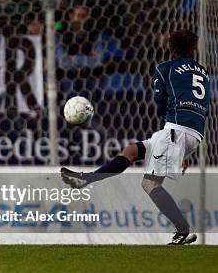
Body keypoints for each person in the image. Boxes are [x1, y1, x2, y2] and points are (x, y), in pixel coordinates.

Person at [61, 30, 210, 245]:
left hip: (175, 130)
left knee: (150, 183)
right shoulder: (203, 72)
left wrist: (176, 141)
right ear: (193, 48)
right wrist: (183, 148)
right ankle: (88, 179)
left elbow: (160, 104)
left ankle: (183, 230)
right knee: (132, 150)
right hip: (193, 132)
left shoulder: (165, 68)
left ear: (170, 46)